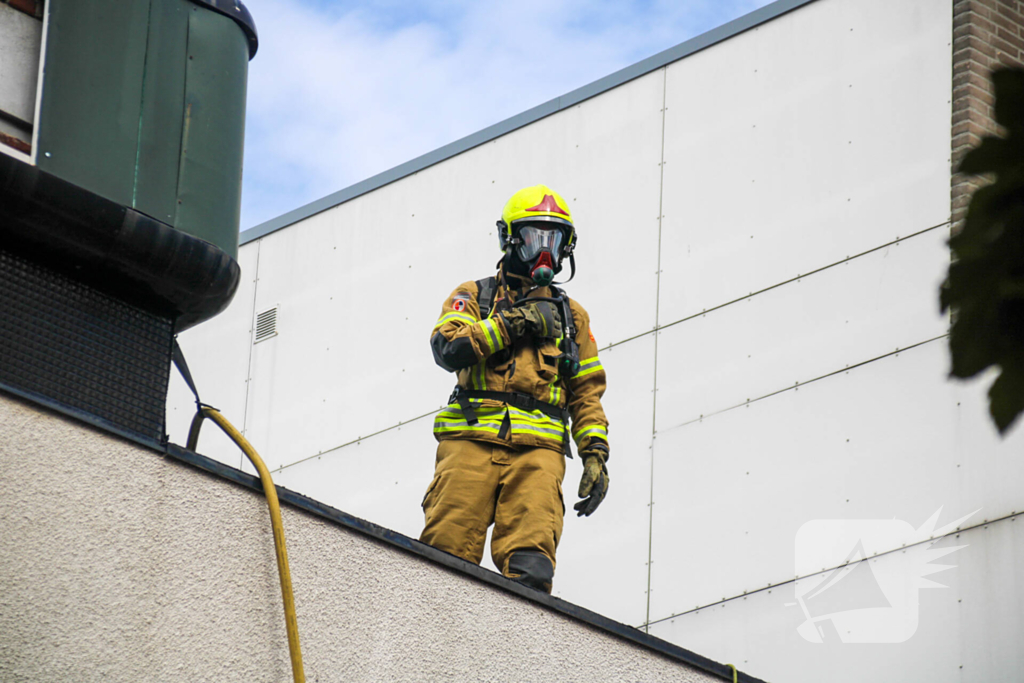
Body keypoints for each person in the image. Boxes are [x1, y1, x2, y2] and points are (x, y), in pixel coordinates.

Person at [419, 184, 610, 593]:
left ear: (566, 247)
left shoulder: (573, 318)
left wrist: (595, 452)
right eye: (533, 236)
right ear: (510, 238)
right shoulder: (476, 295)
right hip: (470, 441)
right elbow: (447, 348)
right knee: (443, 558)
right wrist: (513, 322)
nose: (544, 250)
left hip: (538, 457)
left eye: (553, 238)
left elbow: (587, 391)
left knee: (532, 571)